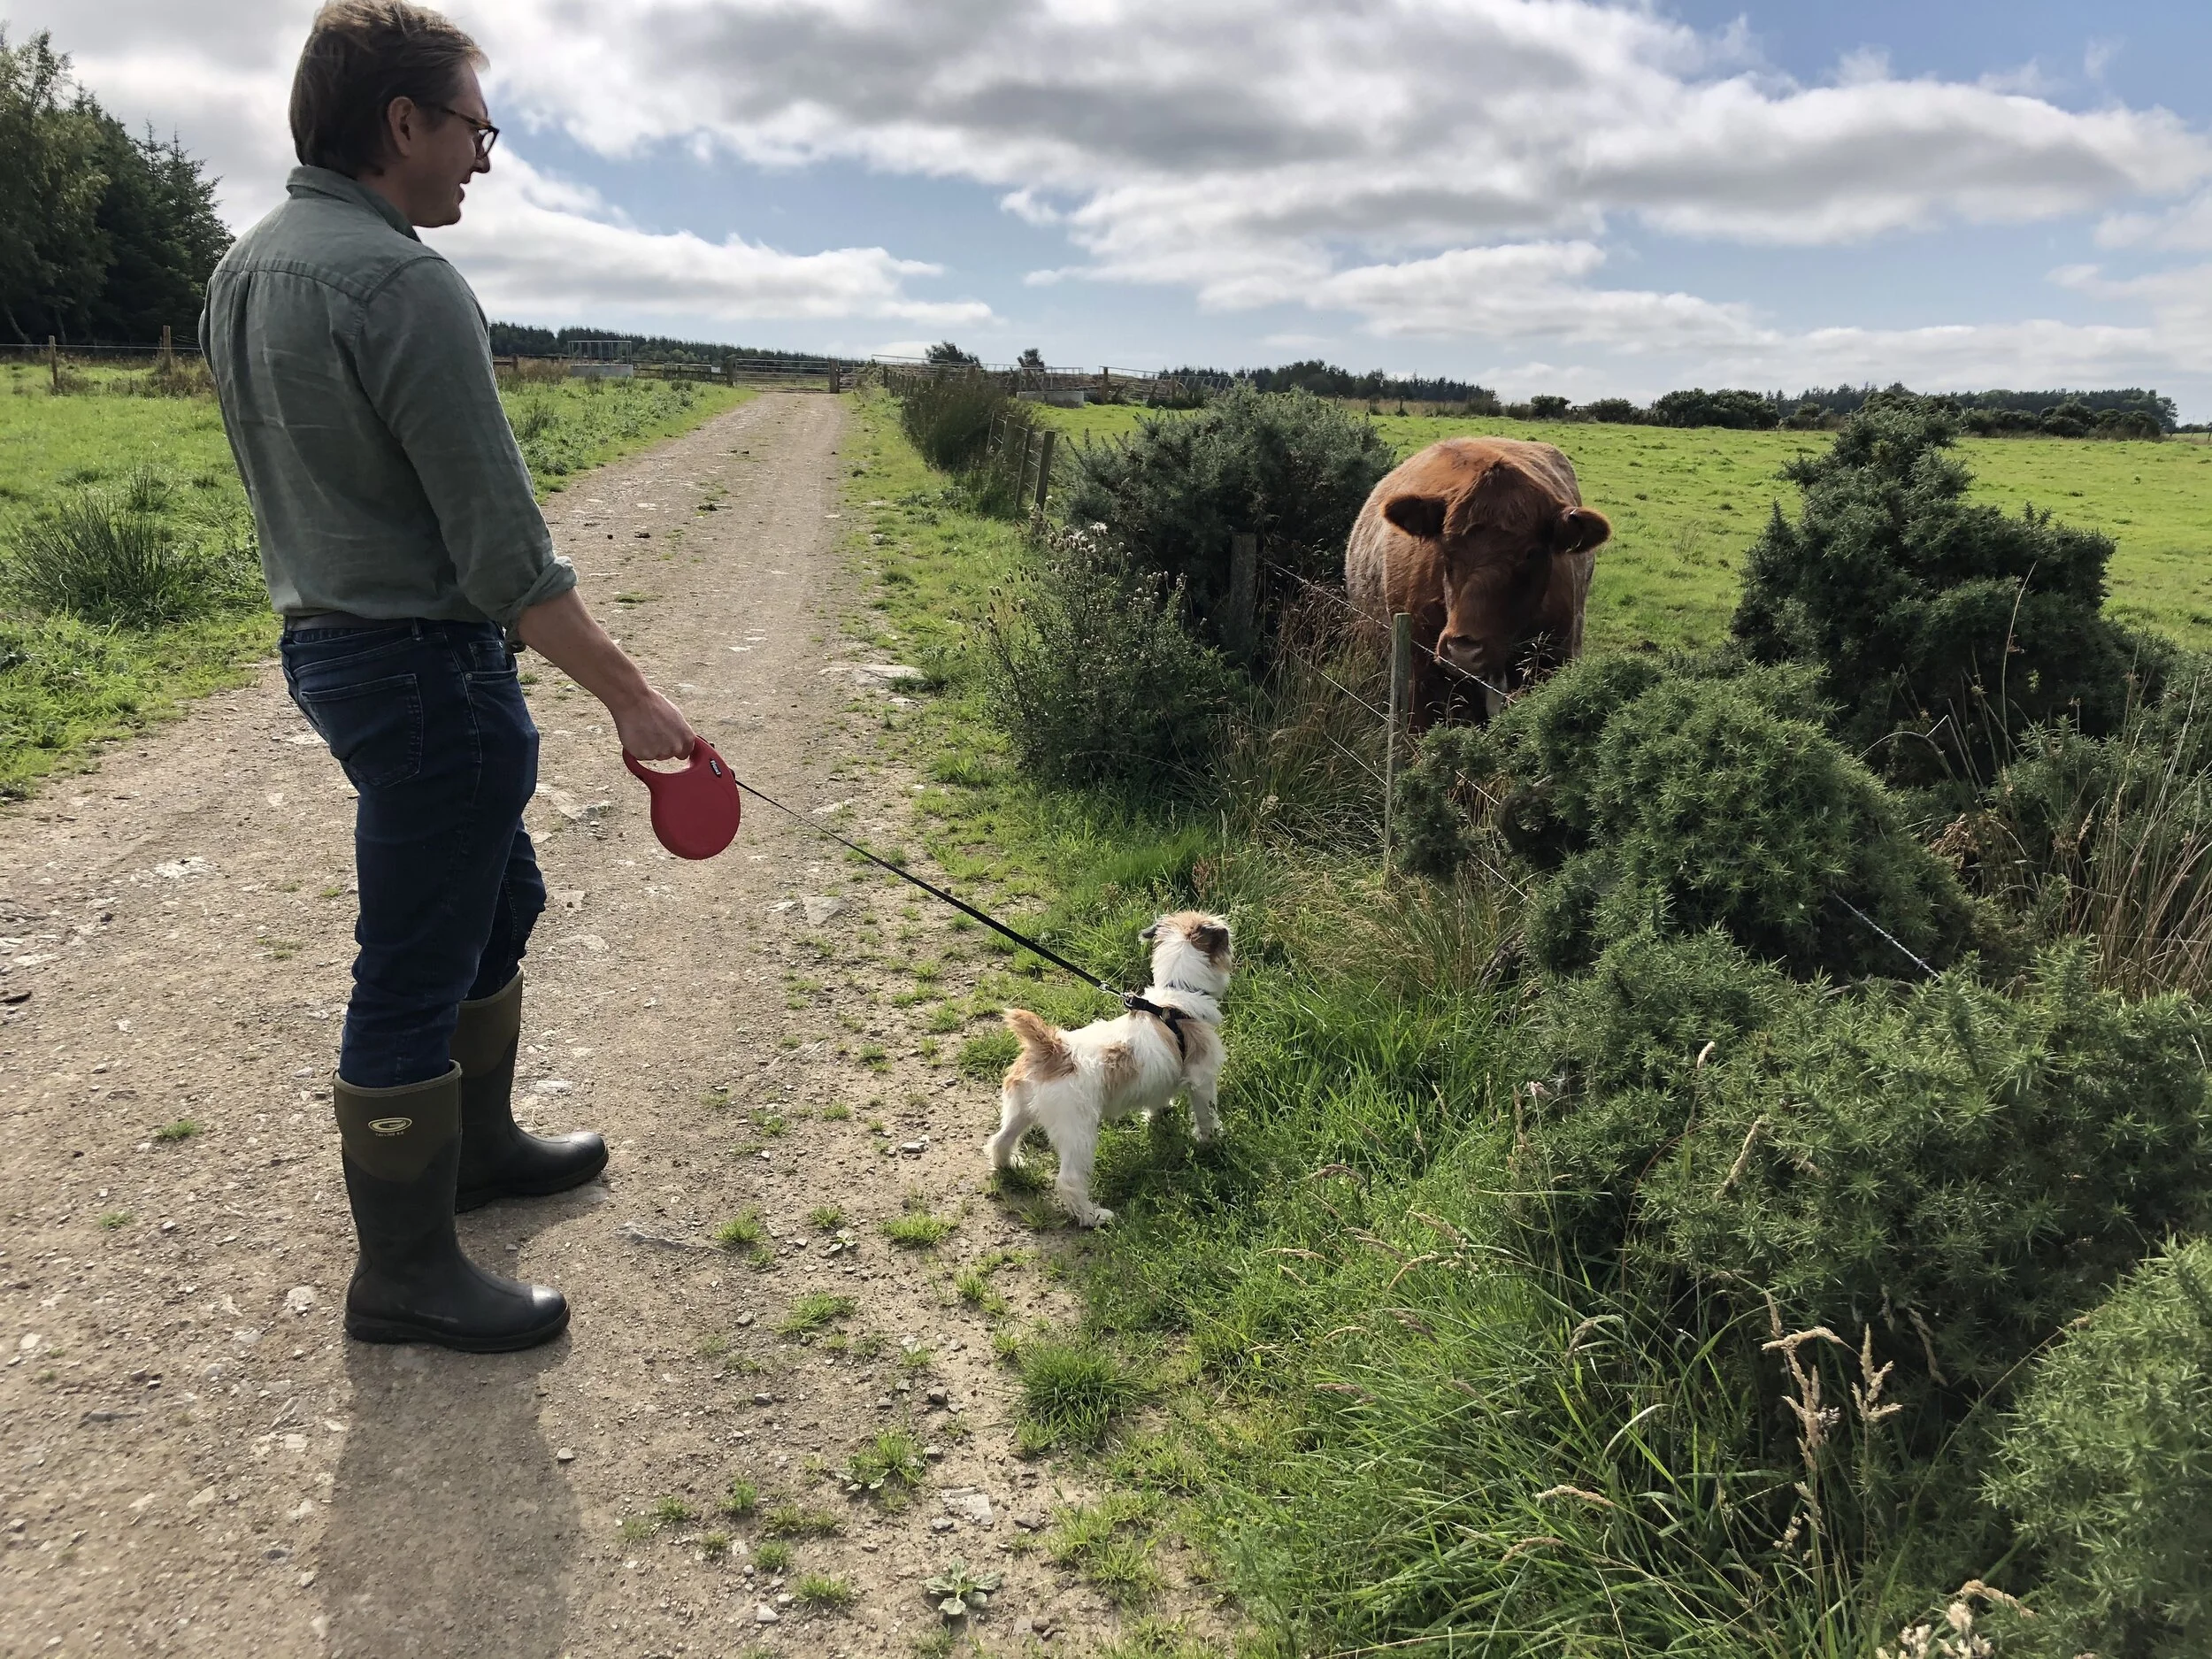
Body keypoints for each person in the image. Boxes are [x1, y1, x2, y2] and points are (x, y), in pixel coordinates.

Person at [201, 0, 697, 1353]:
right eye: (476, 125)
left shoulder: (245, 268)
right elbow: (504, 556)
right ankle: (407, 1271)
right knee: (415, 959)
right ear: (402, 122)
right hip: (425, 666)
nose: (486, 154)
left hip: (332, 650)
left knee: (498, 894)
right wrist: (635, 698)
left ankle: (475, 1155)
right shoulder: (404, 283)